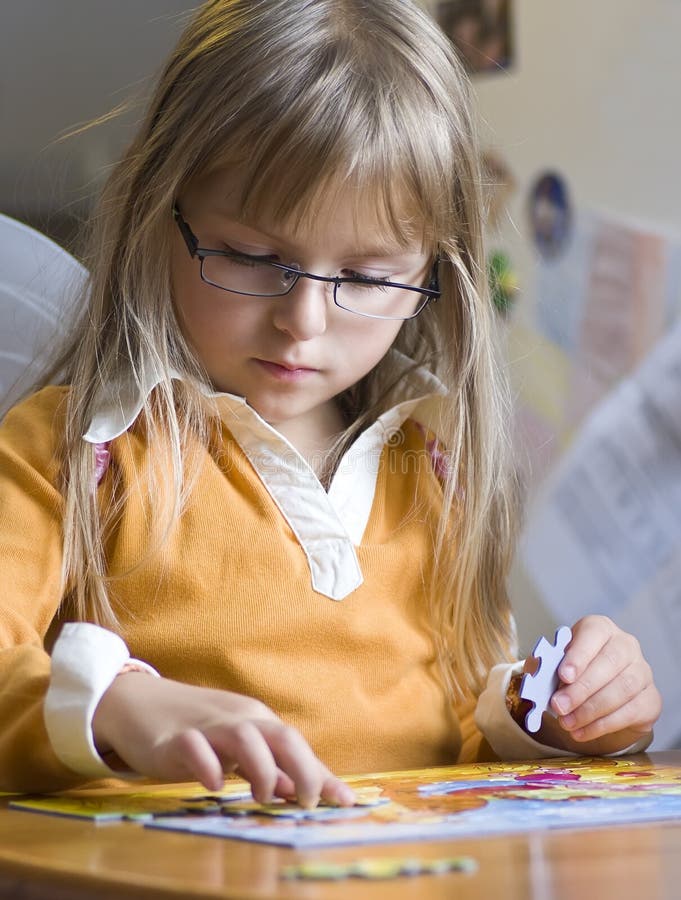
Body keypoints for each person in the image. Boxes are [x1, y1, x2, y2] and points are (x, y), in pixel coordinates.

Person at [0, 0, 660, 806]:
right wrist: (113, 705)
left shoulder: (434, 469)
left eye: (367, 277)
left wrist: (566, 714)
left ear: (431, 274)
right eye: (250, 256)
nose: (302, 322)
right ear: (155, 212)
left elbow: (448, 738)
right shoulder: (71, 452)